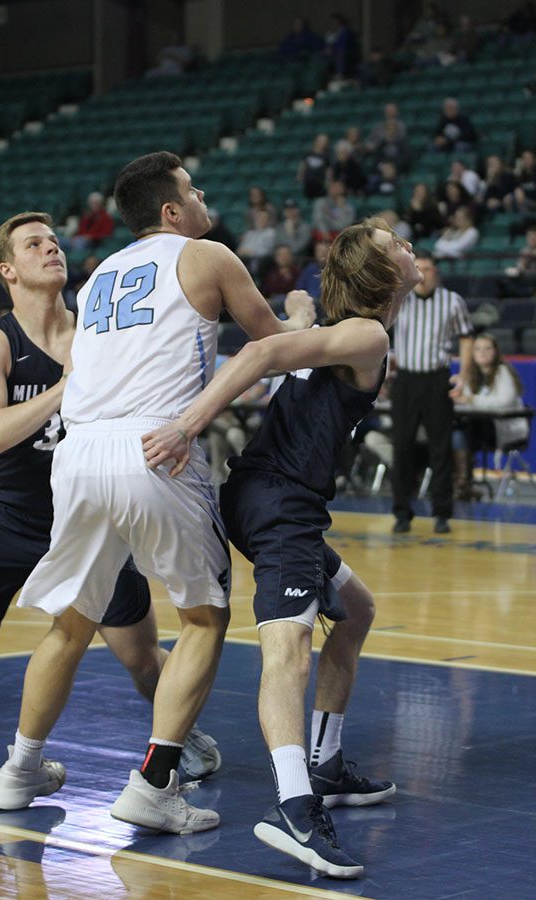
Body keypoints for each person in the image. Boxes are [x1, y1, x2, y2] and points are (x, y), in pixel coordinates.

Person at [0, 152, 315, 830]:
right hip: (154, 447)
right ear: (171, 211)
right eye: (192, 190)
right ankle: (155, 786)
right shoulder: (207, 255)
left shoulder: (99, 274)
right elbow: (274, 345)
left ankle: (19, 770)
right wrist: (302, 311)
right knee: (204, 617)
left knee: (70, 623)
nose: (202, 198)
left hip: (77, 451)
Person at [140, 217, 421, 879]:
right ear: (381, 276)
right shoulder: (369, 333)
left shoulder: (320, 327)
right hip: (279, 502)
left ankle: (323, 765)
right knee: (289, 646)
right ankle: (295, 808)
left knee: (354, 612)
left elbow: (294, 316)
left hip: (269, 496)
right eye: (393, 244)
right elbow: (259, 355)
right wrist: (186, 426)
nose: (408, 247)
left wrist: (294, 309)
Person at [0, 211, 220, 781]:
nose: (51, 249)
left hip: (88, 517)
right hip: (11, 521)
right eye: (34, 245)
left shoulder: (99, 329)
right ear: (7, 269)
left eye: (55, 241)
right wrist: (64, 388)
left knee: (142, 660)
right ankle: (26, 765)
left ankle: (178, 737)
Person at [391, 249, 473, 534]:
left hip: (436, 379)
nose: (423, 275)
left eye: (428, 269)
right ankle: (402, 512)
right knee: (402, 447)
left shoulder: (452, 301)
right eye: (418, 268)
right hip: (406, 380)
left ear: (436, 272)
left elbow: (466, 336)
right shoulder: (398, 299)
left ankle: (442, 513)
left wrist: (462, 374)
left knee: (441, 447)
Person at [451, 333, 529, 498]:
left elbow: (503, 401)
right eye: (478, 349)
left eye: (487, 348)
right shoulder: (470, 375)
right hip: (478, 427)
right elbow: (463, 400)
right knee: (455, 431)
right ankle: (463, 482)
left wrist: (472, 399)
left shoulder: (503, 372)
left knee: (462, 430)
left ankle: (462, 482)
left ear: (495, 351)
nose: (482, 352)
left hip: (503, 428)